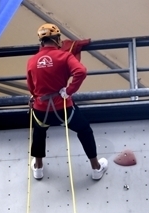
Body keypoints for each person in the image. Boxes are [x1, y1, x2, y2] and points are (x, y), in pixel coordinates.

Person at [26, 23, 108, 181]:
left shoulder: (32, 61)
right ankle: (96, 168)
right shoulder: (64, 56)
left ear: (41, 42)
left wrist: (35, 96)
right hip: (63, 108)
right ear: (57, 39)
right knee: (84, 130)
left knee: (39, 132)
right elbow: (81, 72)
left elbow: (31, 86)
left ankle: (38, 167)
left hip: (41, 109)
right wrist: (69, 90)